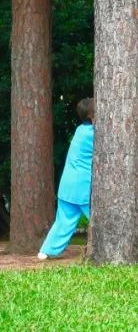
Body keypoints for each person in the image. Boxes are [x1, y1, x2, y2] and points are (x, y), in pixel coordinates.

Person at [38, 98, 94, 260]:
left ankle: (47, 250)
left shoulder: (79, 130)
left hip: (67, 185)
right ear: (92, 116)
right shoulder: (94, 134)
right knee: (99, 219)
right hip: (84, 186)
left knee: (63, 221)